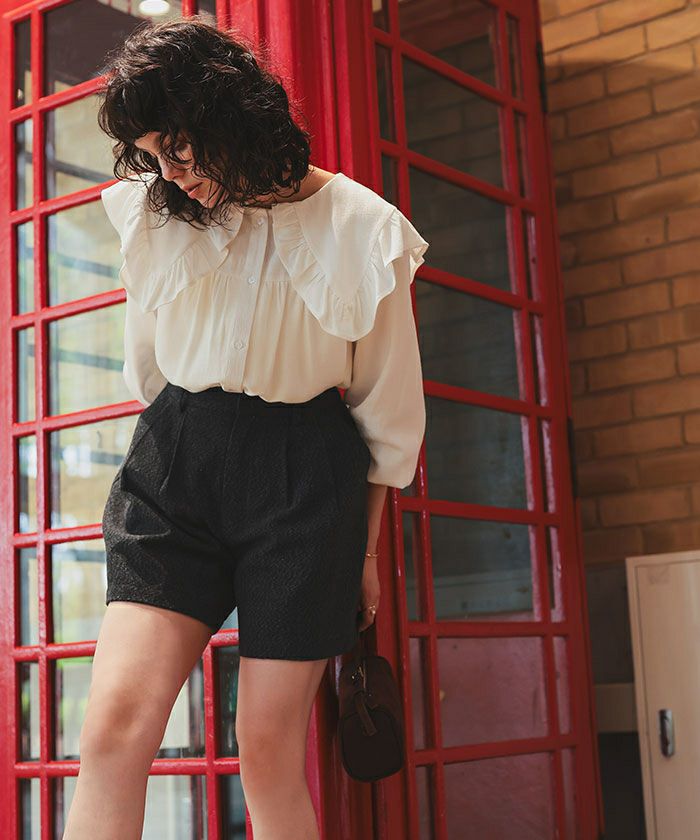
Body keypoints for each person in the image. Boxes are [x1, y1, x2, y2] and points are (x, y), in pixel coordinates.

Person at [63, 15, 428, 840]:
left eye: (178, 149)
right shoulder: (156, 214)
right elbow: (148, 371)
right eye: (151, 156)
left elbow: (388, 412)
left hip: (304, 478)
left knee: (266, 753)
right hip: (177, 462)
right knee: (112, 731)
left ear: (227, 114)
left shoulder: (362, 226)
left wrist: (365, 556)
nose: (168, 175)